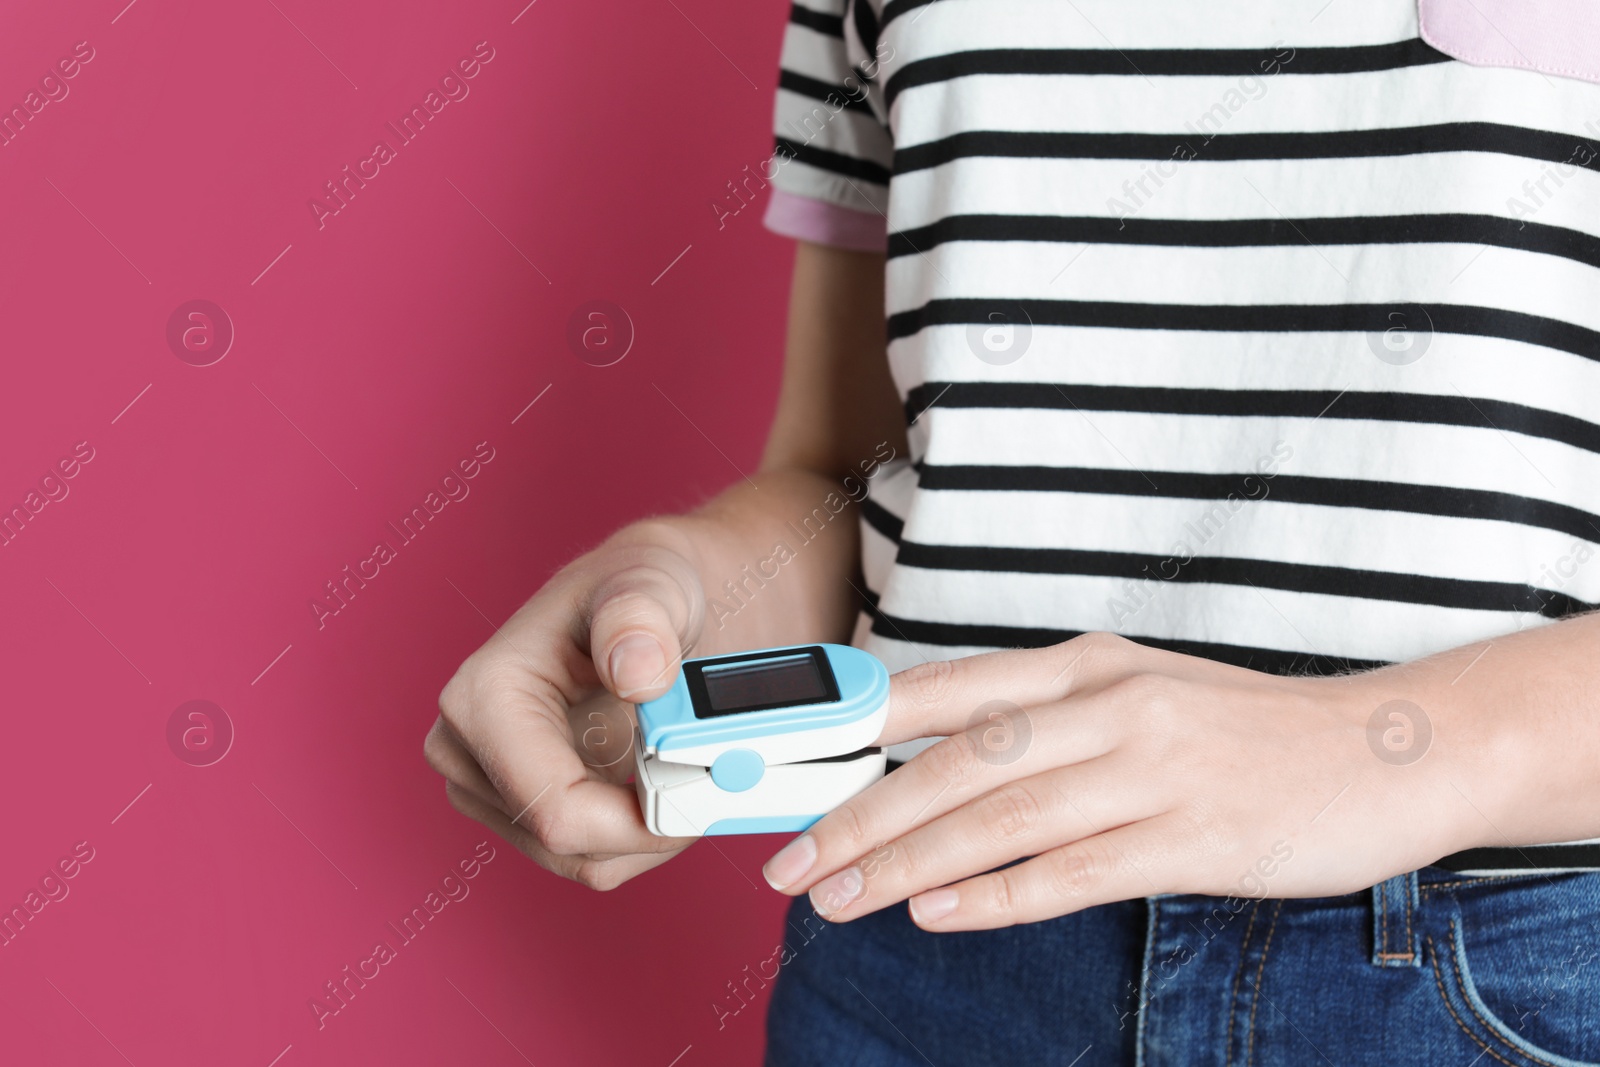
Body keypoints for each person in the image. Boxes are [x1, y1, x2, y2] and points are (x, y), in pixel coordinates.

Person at [426, 0, 1600, 1062]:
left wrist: (1381, 745)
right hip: (922, 943)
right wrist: (674, 590)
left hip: (1491, 970)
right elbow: (857, 470)